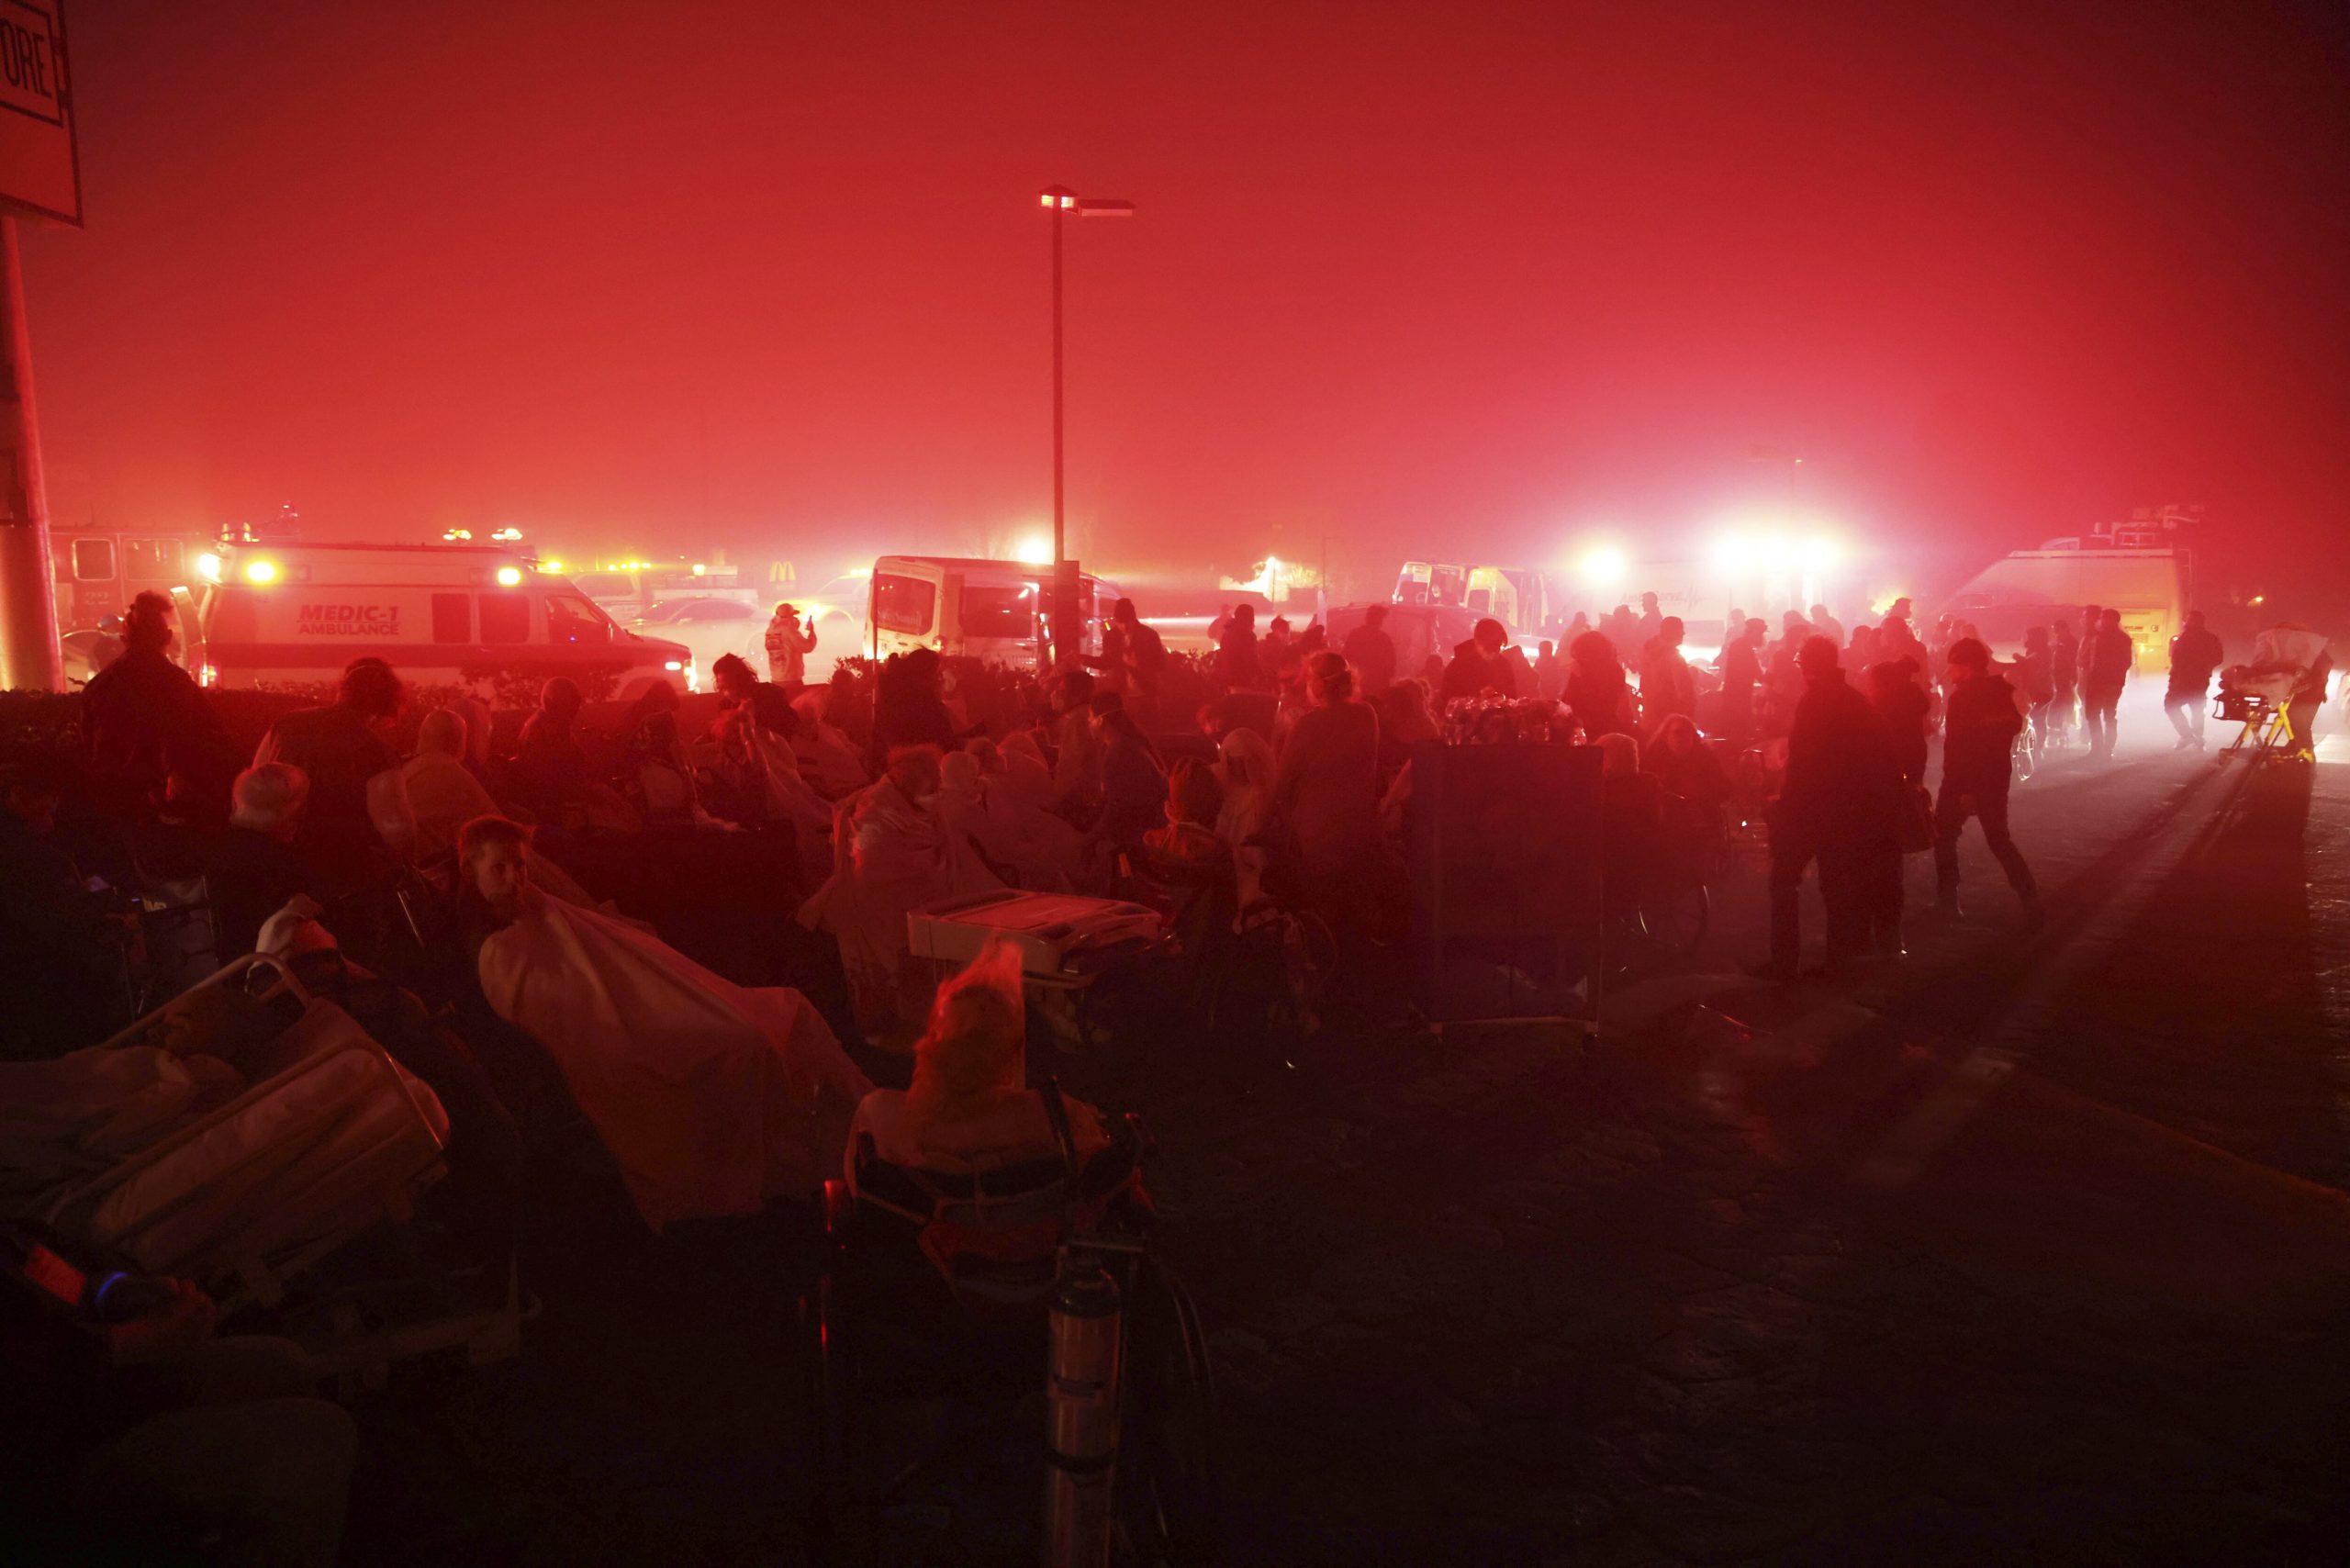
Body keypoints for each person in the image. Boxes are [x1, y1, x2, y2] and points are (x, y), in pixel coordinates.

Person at [467, 814, 872, 1224]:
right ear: (472, 873)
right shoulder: (500, 953)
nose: (514, 879)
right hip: (625, 1039)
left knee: (789, 1010)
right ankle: (807, 1155)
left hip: (646, 1012)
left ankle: (866, 1118)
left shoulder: (538, 908)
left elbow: (605, 954)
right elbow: (568, 1022)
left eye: (519, 866)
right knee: (747, 1043)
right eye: (498, 869)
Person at [844, 943, 1109, 1184]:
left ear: (931, 1043)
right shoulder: (1058, 1116)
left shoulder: (879, 1118)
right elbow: (1099, 1182)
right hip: (1032, 1235)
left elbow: (860, 1198)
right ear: (1010, 1055)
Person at [800, 745, 1001, 1034]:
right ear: (910, 786)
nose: (937, 796)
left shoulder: (921, 809)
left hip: (924, 896)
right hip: (879, 905)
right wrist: (924, 875)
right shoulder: (876, 813)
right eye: (931, 790)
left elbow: (942, 854)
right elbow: (871, 868)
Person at [1753, 636, 1899, 981]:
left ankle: (1784, 962)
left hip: (1812, 811)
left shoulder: (1815, 702)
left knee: (1783, 881)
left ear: (1810, 666)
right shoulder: (1855, 700)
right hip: (1848, 812)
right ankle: (1838, 963)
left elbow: (1805, 765)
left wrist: (1786, 805)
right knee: (1837, 888)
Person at [252, 657, 418, 895]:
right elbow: (397, 827)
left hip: (276, 865)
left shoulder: (286, 725)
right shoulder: (376, 751)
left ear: (343, 689)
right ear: (387, 705)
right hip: (342, 878)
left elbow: (255, 780)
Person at [0, 759, 131, 1054]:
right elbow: (56, 913)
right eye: (49, 806)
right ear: (19, 795)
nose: (53, 816)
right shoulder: (24, 851)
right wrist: (104, 913)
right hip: (37, 978)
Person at [78, 590, 239, 821]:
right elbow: (196, 734)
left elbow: (89, 740)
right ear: (168, 637)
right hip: (166, 799)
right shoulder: (176, 682)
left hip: (113, 799)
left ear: (124, 639)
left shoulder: (100, 685)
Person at [1934, 638, 2040, 924]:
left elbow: (1959, 747)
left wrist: (1964, 790)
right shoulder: (2002, 692)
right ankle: (2029, 895)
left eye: (1953, 666)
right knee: (1999, 839)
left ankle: (1948, 898)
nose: (1950, 672)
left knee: (1943, 836)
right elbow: (2012, 728)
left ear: (1967, 668)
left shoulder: (1962, 698)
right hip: (1996, 777)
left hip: (1962, 781)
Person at [1270, 652, 1383, 916]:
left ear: (1319, 684)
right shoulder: (1367, 714)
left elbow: (1281, 783)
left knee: (1321, 911)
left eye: (1309, 678)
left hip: (1318, 837)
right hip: (1361, 830)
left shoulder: (1308, 724)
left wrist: (1258, 827)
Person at [403, 709, 502, 858]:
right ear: (458, 740)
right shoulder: (455, 774)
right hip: (440, 864)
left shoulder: (406, 771)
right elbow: (498, 825)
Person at [1088, 693, 1169, 875]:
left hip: (1139, 837)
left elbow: (1116, 809)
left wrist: (1089, 840)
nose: (1088, 722)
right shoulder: (1128, 743)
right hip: (1148, 828)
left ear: (1100, 720)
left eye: (1090, 717)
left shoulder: (1118, 752)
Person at [1214, 726, 1278, 913]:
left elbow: (1260, 825)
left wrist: (1258, 787)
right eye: (1232, 763)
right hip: (1224, 858)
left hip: (1253, 861)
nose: (1238, 770)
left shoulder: (1262, 790)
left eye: (1242, 763)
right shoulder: (1220, 785)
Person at [2164, 610, 2224, 751]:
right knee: (2197, 707)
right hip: (2200, 678)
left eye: (2188, 620)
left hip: (2182, 678)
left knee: (2171, 705)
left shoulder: (2183, 638)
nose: (2186, 623)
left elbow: (2176, 658)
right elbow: (2218, 658)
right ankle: (2197, 737)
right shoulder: (2211, 639)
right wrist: (2205, 667)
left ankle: (2187, 735)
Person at [2079, 608, 2134, 759]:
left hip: (2099, 681)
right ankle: (2106, 748)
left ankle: (2098, 748)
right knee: (2108, 715)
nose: (2101, 621)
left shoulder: (2098, 637)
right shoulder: (2123, 638)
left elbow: (2087, 659)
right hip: (2112, 682)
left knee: (2095, 714)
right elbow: (2127, 662)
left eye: (2104, 618)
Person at [1563, 630, 1635, 741]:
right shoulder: (1581, 667)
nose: (1577, 659)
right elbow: (1569, 697)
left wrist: (1581, 678)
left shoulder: (1612, 670)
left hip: (1601, 728)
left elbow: (1604, 703)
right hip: (1578, 726)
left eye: (1581, 655)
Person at [1638, 615, 1695, 738]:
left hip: (1651, 713)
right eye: (1680, 629)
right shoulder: (1673, 657)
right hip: (1669, 716)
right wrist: (1688, 708)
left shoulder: (1649, 649)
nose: (1683, 633)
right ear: (1671, 631)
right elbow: (1684, 688)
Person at [1439, 617, 1516, 704]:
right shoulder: (1458, 667)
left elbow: (1512, 698)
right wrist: (1477, 698)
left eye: (1498, 648)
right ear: (1476, 641)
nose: (1493, 654)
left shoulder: (1504, 666)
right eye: (1488, 649)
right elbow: (1446, 701)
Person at [1716, 617, 1766, 744]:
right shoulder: (1743, 647)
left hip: (1736, 696)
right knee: (1739, 732)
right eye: (1760, 633)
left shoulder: (1741, 645)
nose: (1762, 637)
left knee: (1735, 730)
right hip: (1738, 697)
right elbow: (1756, 671)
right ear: (1753, 632)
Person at [1342, 604, 1399, 699]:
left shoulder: (1355, 635)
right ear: (1380, 620)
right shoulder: (1383, 638)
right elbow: (1391, 664)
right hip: (1376, 685)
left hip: (1358, 683)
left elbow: (1345, 657)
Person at [763, 601, 819, 688]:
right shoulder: (789, 631)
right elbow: (807, 647)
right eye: (793, 616)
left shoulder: (769, 631)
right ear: (789, 617)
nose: (795, 618)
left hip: (775, 678)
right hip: (791, 679)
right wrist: (812, 632)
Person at [1214, 603, 1261, 691]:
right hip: (1242, 680)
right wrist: (1256, 675)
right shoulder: (1248, 635)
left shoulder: (1228, 632)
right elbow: (1251, 658)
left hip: (1228, 678)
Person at [2048, 617, 2079, 747]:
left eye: (2058, 631)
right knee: (2061, 704)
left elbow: (2071, 662)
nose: (2056, 634)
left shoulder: (2070, 643)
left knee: (2061, 704)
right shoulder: (2060, 643)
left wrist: (2070, 678)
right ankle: (2059, 729)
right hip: (2059, 678)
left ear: (2065, 629)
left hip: (2065, 679)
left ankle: (2059, 729)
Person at [1532, 639, 1562, 703]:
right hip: (1539, 691)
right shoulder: (1538, 660)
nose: (1539, 651)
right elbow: (1534, 674)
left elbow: (1554, 680)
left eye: (1541, 649)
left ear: (1549, 651)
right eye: (1539, 649)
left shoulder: (1554, 662)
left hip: (1550, 693)